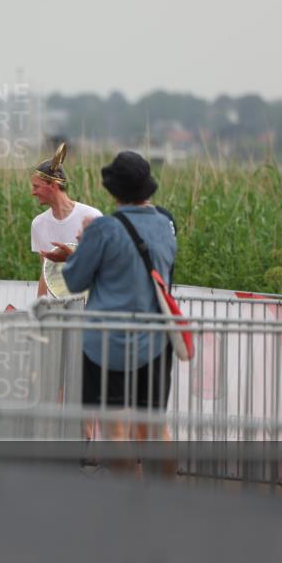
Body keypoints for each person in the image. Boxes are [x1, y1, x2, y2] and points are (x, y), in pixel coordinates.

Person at [43, 151, 178, 439]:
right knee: (155, 428)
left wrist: (81, 248)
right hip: (155, 339)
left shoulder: (103, 228)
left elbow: (75, 281)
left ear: (114, 191)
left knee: (114, 429)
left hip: (109, 342)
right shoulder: (166, 222)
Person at [30, 142, 103, 296]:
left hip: (90, 303)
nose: (33, 192)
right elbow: (45, 272)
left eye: (36, 187)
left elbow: (103, 267)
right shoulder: (38, 224)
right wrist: (40, 304)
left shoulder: (92, 217)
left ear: (53, 186)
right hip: (56, 306)